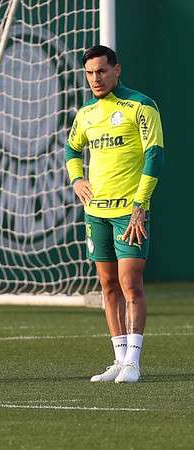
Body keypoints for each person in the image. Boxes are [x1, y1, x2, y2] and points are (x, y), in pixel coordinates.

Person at [65, 45, 165, 383]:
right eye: (90, 73)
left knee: (130, 284)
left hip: (130, 212)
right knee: (107, 286)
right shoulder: (86, 114)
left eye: (102, 71)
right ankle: (119, 358)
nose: (96, 78)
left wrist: (140, 205)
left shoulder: (141, 105)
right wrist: (76, 177)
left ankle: (134, 364)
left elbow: (155, 156)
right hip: (96, 213)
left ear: (117, 70)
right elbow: (71, 148)